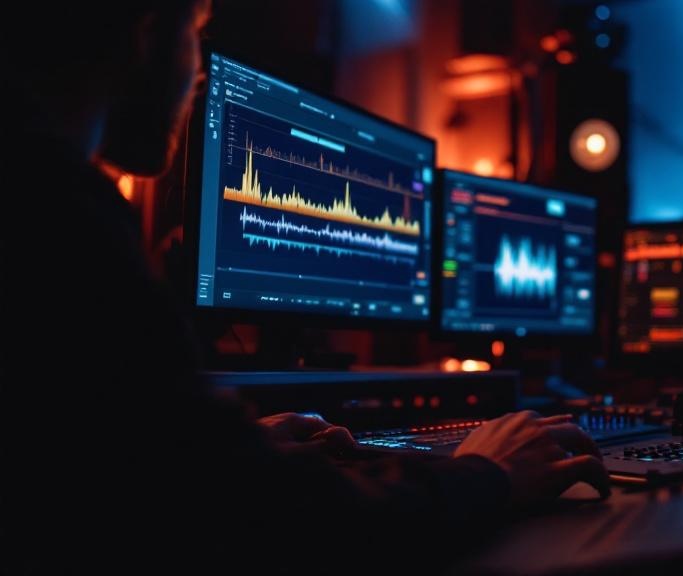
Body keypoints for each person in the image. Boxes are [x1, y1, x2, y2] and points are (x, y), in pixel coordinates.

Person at [0, 1, 608, 573]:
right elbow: (286, 527)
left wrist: (227, 452)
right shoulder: (55, 212)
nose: (197, 71)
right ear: (148, 33)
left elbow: (92, 467)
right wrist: (489, 473)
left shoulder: (37, 193)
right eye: (197, 34)